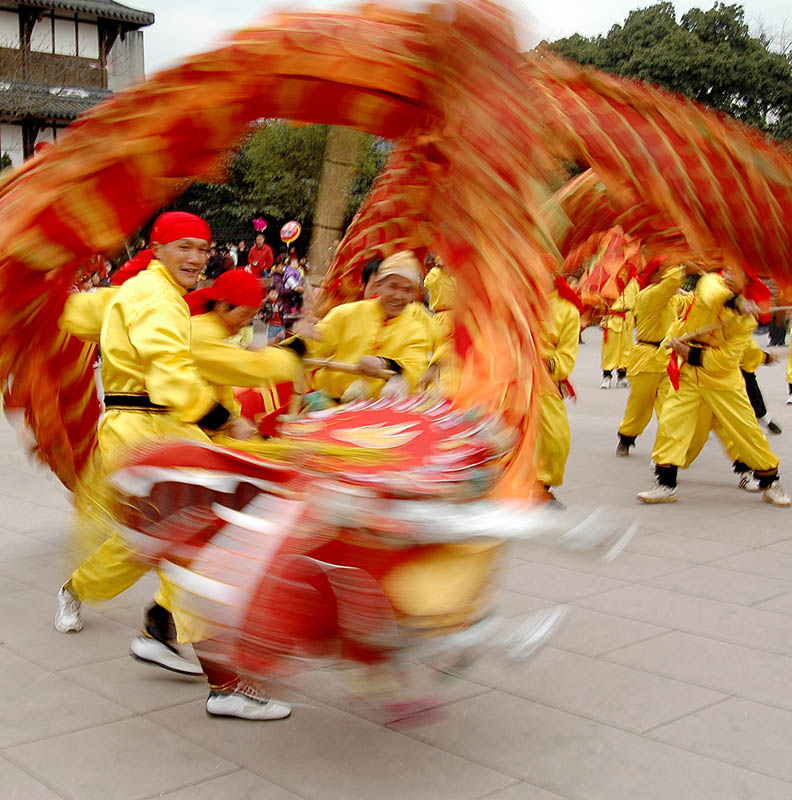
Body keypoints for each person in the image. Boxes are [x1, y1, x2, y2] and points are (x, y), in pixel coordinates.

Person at [637, 268, 790, 507]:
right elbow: (711, 294)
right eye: (727, 270)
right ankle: (666, 483)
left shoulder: (745, 320)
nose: (727, 275)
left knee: (745, 430)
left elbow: (728, 359)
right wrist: (735, 301)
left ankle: (771, 481)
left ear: (745, 283)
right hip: (688, 374)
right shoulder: (710, 283)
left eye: (735, 274)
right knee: (672, 423)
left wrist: (761, 357)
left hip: (722, 382)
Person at [298, 251, 432, 402]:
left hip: (377, 415)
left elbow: (414, 370)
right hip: (329, 406)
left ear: (414, 294)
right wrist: (300, 342)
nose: (398, 295)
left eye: (407, 290)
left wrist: (383, 363)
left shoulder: (416, 331)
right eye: (393, 286)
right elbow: (311, 350)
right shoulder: (344, 314)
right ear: (379, 286)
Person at [615, 261, 684, 456]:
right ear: (652, 276)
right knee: (639, 406)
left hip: (666, 358)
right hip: (645, 358)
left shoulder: (670, 299)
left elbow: (691, 302)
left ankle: (667, 451)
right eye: (660, 272)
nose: (664, 276)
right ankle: (626, 437)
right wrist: (678, 258)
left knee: (669, 407)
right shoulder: (648, 296)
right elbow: (672, 282)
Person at [536, 276, 581, 504]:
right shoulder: (516, 301)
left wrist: (542, 362)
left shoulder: (568, 311)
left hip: (544, 381)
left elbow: (565, 357)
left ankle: (541, 486)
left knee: (556, 440)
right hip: (509, 379)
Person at [600, 279, 638, 389]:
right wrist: (602, 318)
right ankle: (607, 375)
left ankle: (622, 375)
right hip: (613, 318)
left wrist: (637, 318)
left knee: (626, 348)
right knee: (610, 349)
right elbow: (603, 301)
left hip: (627, 319)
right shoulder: (611, 281)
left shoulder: (633, 283)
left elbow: (637, 300)